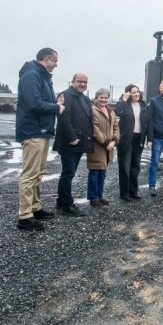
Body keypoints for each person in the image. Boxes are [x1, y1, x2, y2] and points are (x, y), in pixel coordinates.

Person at [15, 48, 65, 231]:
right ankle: (25, 216)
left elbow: (40, 100)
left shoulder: (42, 76)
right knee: (30, 174)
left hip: (41, 131)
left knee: (38, 172)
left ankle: (35, 208)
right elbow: (34, 103)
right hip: (33, 131)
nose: (56, 65)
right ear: (47, 58)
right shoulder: (31, 75)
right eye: (55, 61)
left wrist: (54, 102)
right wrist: (56, 108)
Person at [52, 73, 93, 216]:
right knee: (68, 173)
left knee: (69, 173)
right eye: (79, 81)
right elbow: (63, 117)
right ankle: (67, 205)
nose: (82, 84)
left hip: (80, 142)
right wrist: (72, 137)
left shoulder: (85, 98)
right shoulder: (66, 96)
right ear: (73, 81)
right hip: (70, 142)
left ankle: (61, 200)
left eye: (85, 82)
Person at [86, 88, 119, 207]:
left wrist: (114, 141)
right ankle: (93, 198)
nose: (103, 100)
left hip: (109, 147)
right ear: (96, 98)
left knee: (103, 173)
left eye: (106, 97)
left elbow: (116, 127)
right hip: (97, 146)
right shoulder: (93, 110)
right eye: (101, 97)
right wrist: (106, 142)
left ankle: (100, 196)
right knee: (94, 172)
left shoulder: (111, 111)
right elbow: (94, 130)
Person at [115, 84, 148, 201]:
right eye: (133, 92)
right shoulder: (124, 105)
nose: (137, 94)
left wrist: (150, 139)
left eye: (138, 92)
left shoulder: (143, 105)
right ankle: (124, 193)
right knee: (125, 166)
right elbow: (117, 112)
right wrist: (123, 99)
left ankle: (134, 191)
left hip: (138, 138)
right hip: (126, 139)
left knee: (136, 166)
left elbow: (148, 122)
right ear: (128, 94)